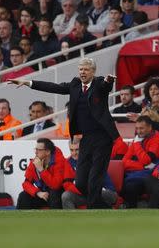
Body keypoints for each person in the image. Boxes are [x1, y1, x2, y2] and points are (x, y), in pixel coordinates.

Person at [9, 58, 119, 209]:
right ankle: (104, 204)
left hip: (103, 137)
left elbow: (106, 86)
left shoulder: (99, 83)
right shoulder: (75, 84)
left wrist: (108, 82)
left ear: (93, 71)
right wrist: (29, 83)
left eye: (86, 69)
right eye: (80, 69)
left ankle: (95, 210)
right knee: (80, 182)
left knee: (95, 178)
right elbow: (54, 87)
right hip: (86, 138)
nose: (82, 72)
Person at [121, 116, 159, 208]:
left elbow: (145, 160)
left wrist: (137, 144)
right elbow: (124, 161)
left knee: (130, 186)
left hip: (150, 177)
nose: (138, 131)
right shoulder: (139, 138)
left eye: (141, 128)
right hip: (138, 173)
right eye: (137, 128)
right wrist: (141, 166)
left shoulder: (156, 140)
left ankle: (131, 210)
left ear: (150, 127)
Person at [62, 137, 118, 209]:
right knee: (66, 196)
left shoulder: (94, 159)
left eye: (77, 150)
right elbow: (67, 184)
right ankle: (73, 219)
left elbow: (100, 182)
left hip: (105, 192)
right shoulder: (68, 163)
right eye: (71, 150)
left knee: (94, 194)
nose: (74, 153)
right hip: (84, 194)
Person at [17, 138, 65, 209]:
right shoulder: (34, 162)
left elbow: (56, 185)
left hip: (57, 194)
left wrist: (41, 170)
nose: (36, 152)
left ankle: (56, 219)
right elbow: (26, 183)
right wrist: (37, 193)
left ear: (48, 151)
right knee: (23, 196)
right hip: (43, 194)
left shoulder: (59, 162)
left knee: (54, 193)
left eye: (39, 150)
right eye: (35, 149)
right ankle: (22, 219)